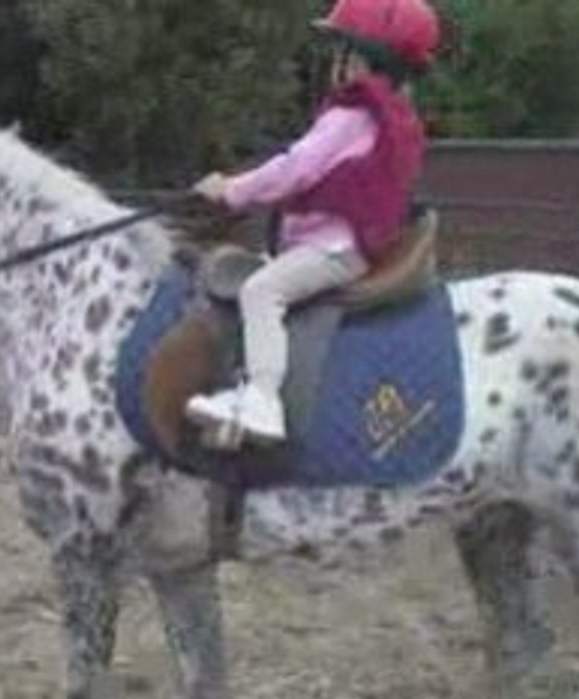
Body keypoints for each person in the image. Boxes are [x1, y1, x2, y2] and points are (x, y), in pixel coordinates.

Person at [185, 0, 440, 444]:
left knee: (261, 290)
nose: (332, 62)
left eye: (339, 48)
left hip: (333, 249)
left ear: (361, 58)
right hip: (342, 245)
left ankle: (263, 400)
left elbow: (294, 169)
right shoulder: (392, 116)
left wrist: (230, 190)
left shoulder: (351, 115)